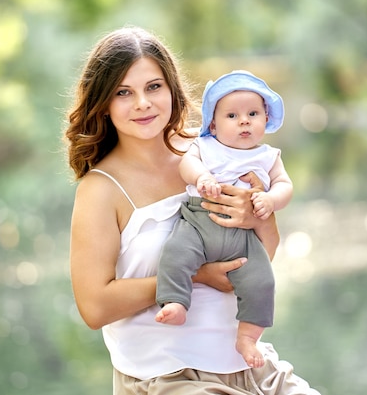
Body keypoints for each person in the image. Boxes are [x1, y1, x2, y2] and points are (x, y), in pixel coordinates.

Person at [65, 25, 320, 395]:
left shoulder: (211, 150)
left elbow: (264, 252)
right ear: (103, 103)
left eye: (153, 87)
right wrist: (194, 276)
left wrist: (258, 217)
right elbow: (94, 307)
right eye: (124, 92)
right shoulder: (101, 189)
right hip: (167, 378)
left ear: (171, 88)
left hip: (250, 366)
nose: (143, 103)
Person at [155, 70, 293, 369]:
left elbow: (284, 185)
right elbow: (187, 164)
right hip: (198, 222)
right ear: (213, 124)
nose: (244, 121)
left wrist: (270, 199)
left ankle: (248, 336)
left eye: (253, 113)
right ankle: (175, 301)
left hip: (243, 238)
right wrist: (201, 176)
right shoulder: (204, 146)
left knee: (262, 281)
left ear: (265, 120)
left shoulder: (268, 156)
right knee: (176, 253)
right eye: (232, 115)